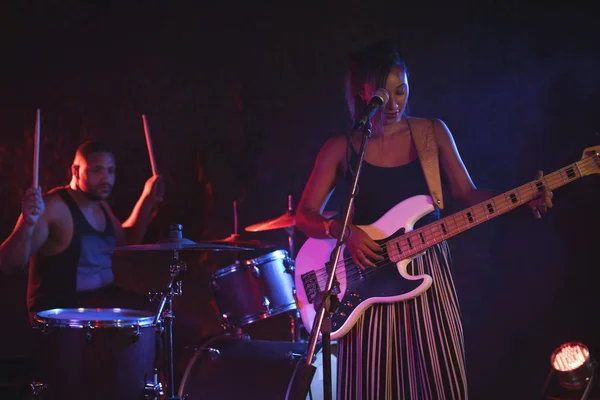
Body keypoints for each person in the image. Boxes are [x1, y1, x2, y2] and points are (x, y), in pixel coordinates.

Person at [295, 40, 553, 399]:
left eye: (401, 91)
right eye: (384, 95)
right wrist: (343, 231)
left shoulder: (432, 134)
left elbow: (466, 195)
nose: (395, 103)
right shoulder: (342, 147)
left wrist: (524, 197)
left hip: (428, 274)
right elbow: (303, 216)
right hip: (364, 284)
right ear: (361, 92)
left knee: (439, 384)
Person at [0, 140, 165, 321]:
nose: (106, 179)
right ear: (76, 171)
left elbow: (125, 242)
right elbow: (9, 264)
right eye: (96, 170)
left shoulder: (100, 205)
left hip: (100, 301)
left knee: (161, 312)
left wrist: (147, 198)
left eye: (110, 171)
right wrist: (27, 224)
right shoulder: (54, 207)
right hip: (63, 313)